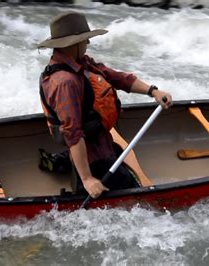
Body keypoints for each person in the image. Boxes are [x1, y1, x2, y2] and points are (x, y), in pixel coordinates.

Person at [38, 12, 172, 199]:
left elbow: (115, 77)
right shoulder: (65, 83)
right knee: (136, 194)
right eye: (85, 40)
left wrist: (153, 91)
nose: (88, 43)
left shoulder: (81, 63)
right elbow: (73, 133)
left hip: (102, 145)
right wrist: (88, 179)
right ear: (73, 44)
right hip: (94, 160)